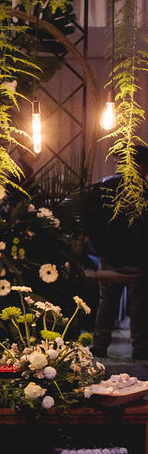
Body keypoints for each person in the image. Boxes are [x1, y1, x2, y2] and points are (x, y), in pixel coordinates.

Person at [84, 145, 148, 359]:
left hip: (108, 256)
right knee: (140, 308)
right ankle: (140, 349)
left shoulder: (103, 187)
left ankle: (100, 345)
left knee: (107, 303)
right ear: (140, 165)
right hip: (138, 259)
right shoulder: (143, 191)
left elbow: (91, 223)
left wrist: (101, 249)